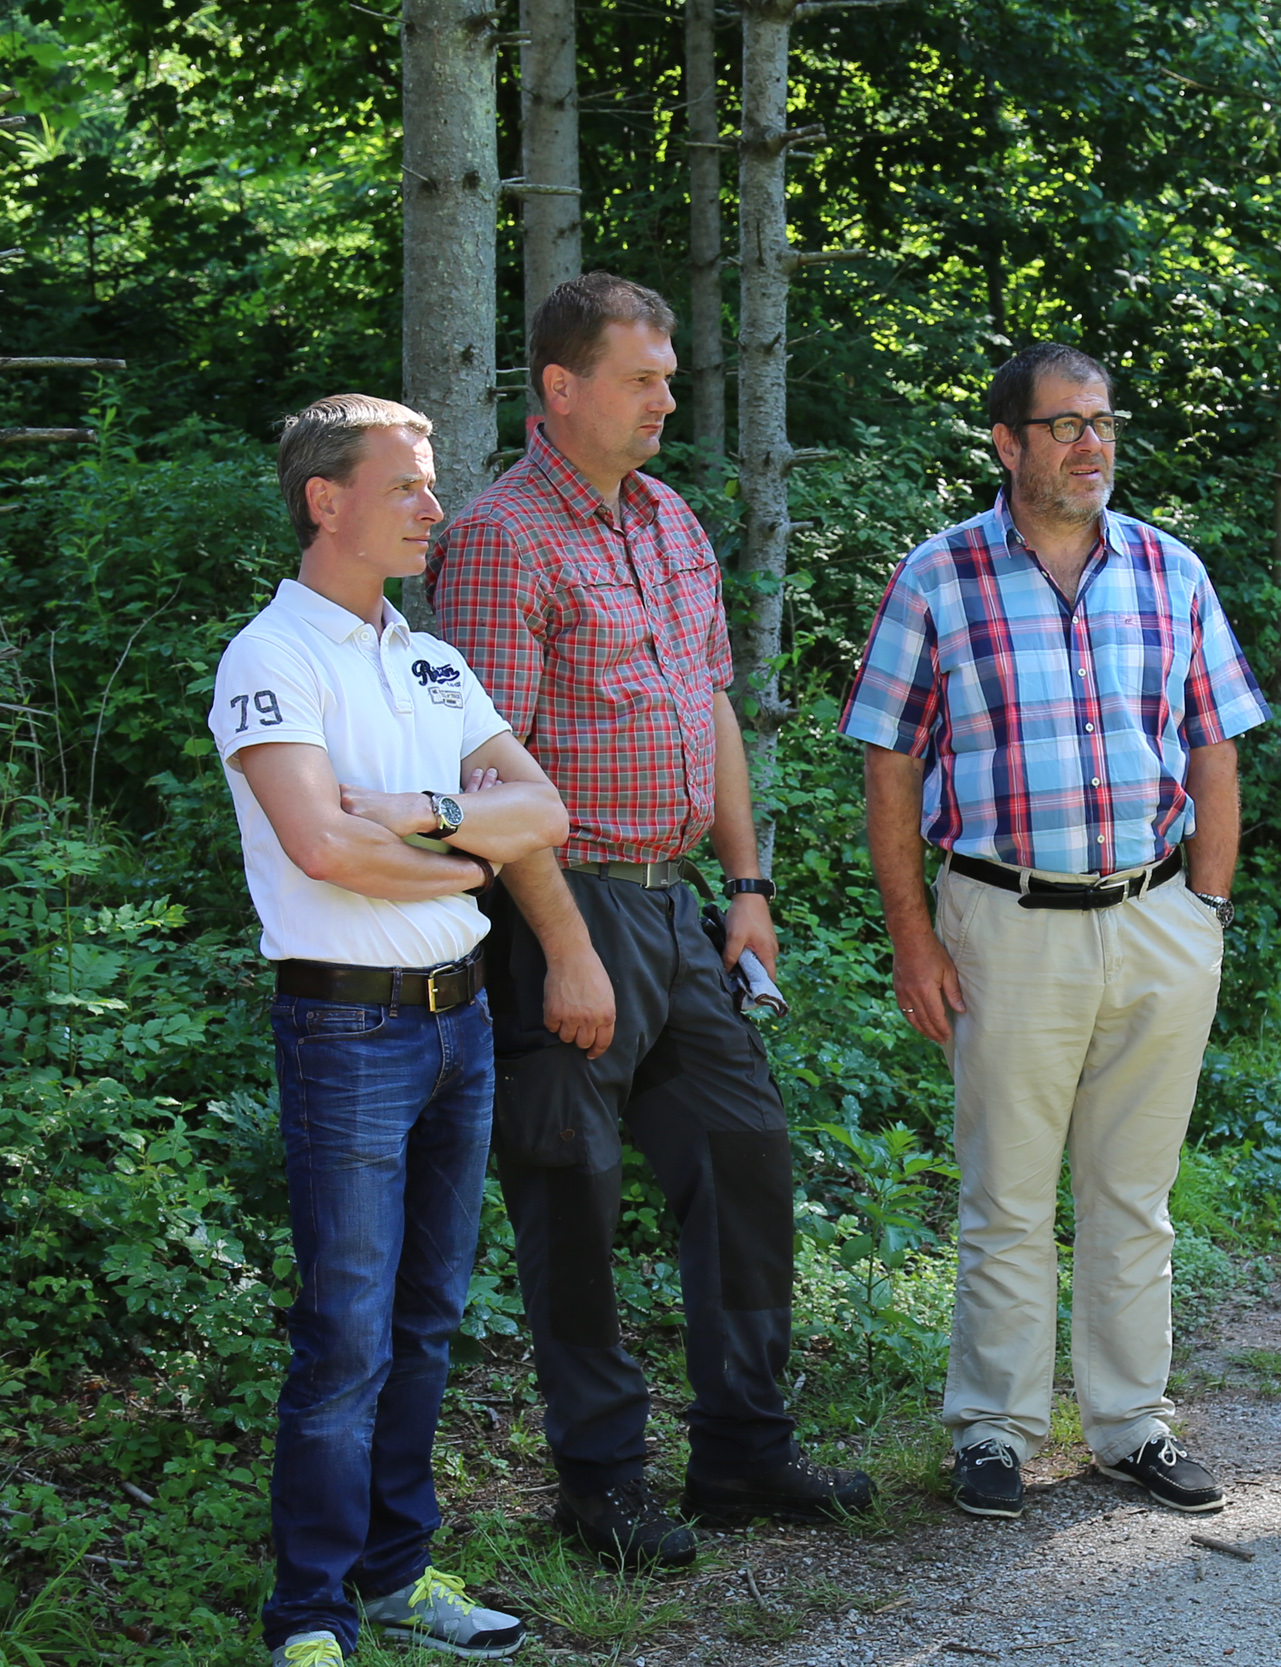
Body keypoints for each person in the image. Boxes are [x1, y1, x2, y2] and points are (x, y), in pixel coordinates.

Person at [428, 272, 872, 1570]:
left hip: (678, 906)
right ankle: (599, 1481)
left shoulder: (669, 517)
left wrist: (748, 887)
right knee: (572, 1193)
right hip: (560, 907)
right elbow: (486, 774)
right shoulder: (503, 539)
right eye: (642, 379)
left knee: (744, 1156)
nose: (666, 400)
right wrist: (566, 946)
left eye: (669, 378)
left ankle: (741, 1448)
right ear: (562, 387)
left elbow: (710, 703)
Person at [841, 342, 1269, 1521]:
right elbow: (889, 763)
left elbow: (1214, 743)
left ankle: (1131, 1425)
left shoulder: (1171, 570)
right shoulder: (938, 575)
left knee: (1135, 1195)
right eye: (1066, 423)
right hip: (1005, 919)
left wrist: (1206, 908)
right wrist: (912, 935)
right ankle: (994, 1429)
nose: (1093, 443)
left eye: (1104, 421)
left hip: (1157, 915)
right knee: (1007, 1195)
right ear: (1007, 442)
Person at [217, 395, 569, 1666]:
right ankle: (308, 1611)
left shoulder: (427, 655)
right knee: (347, 1332)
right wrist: (465, 855)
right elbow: (320, 845)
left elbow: (543, 809)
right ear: (327, 500)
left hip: (458, 1025)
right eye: (409, 486)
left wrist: (414, 815)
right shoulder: (272, 655)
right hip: (346, 1031)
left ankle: (396, 1573)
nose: (436, 507)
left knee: (426, 1318)